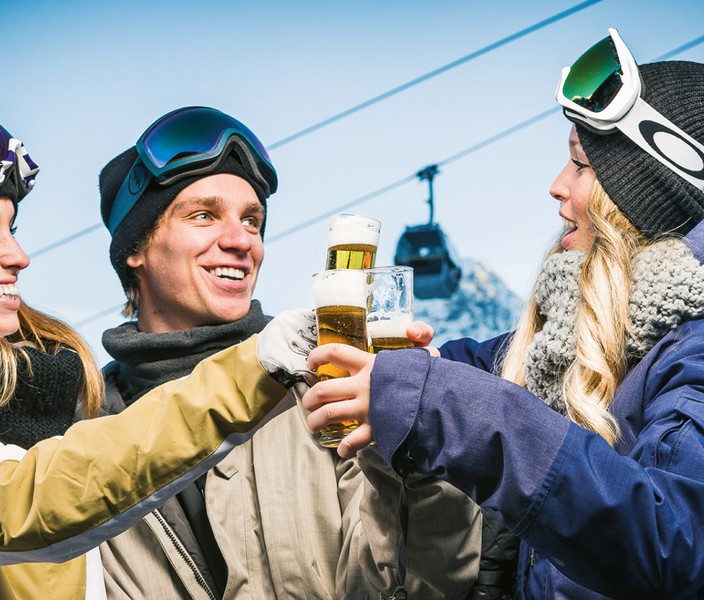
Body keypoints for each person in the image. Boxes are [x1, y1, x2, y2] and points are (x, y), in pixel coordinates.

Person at [303, 30, 704, 598]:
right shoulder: (576, 334)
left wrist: (443, 403)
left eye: (581, 165)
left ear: (646, 194)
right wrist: (396, 367)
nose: (556, 187)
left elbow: (667, 537)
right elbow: (476, 366)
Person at [96, 105, 493, 599]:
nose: (242, 241)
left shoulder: (324, 387)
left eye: (252, 221)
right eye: (204, 215)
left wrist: (418, 457)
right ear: (135, 248)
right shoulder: (88, 434)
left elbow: (422, 584)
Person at [0, 106, 317, 598]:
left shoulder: (61, 400)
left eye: (253, 221)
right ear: (137, 247)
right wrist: (255, 368)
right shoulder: (96, 418)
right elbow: (24, 500)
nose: (19, 256)